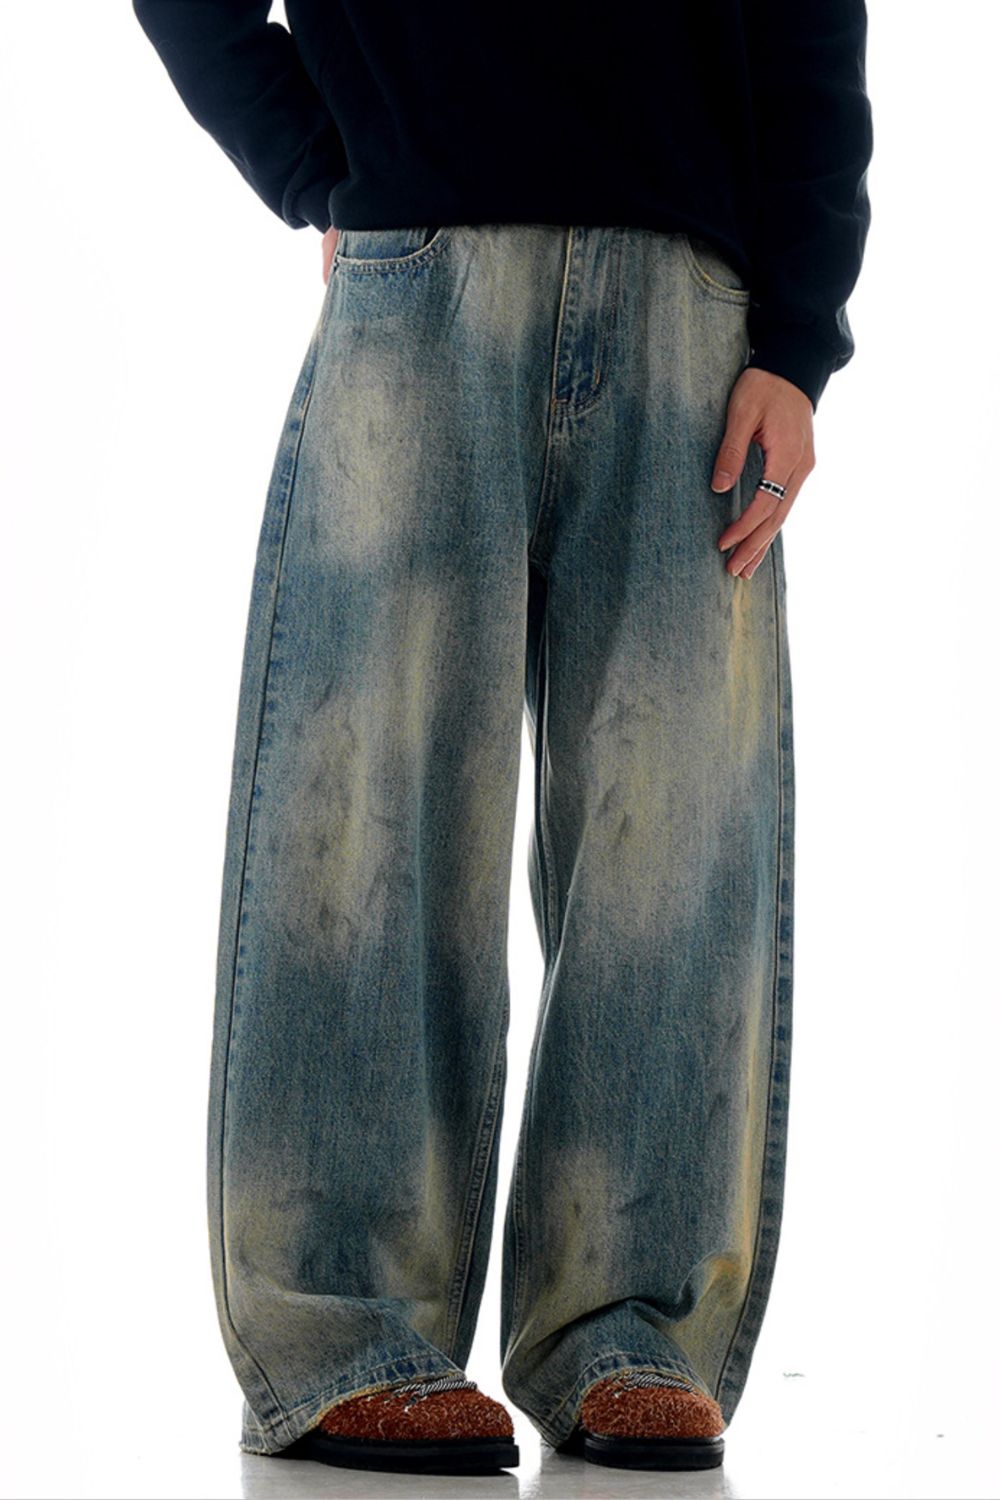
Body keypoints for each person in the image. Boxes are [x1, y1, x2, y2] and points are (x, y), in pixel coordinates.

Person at [132, 0, 873, 1475]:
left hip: (695, 301)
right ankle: (342, 1327)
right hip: (419, 262)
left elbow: (807, 20)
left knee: (674, 830)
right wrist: (318, 166)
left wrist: (799, 336)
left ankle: (628, 1324)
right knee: (368, 812)